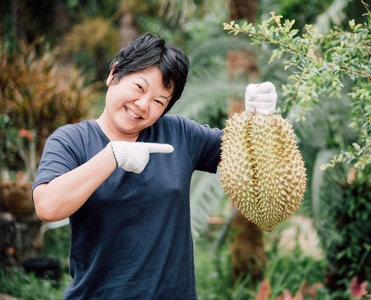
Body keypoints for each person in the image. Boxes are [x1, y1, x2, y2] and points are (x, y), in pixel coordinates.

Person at [32, 32, 277, 299]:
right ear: (114, 74)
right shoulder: (71, 141)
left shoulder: (180, 135)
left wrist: (259, 120)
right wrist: (111, 156)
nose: (143, 105)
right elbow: (47, 206)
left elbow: (254, 159)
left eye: (159, 101)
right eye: (139, 88)